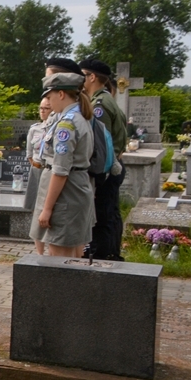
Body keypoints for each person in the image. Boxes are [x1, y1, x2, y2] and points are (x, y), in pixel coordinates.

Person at [29, 72, 95, 257]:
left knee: (59, 259)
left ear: (61, 94)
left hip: (66, 194)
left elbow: (60, 170)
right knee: (73, 257)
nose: (49, 103)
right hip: (74, 188)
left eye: (50, 97)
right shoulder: (77, 117)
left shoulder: (67, 124)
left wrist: (47, 209)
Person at [80, 58, 128, 260]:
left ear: (92, 77)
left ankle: (104, 255)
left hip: (106, 169)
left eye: (82, 75)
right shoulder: (106, 99)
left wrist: (97, 173)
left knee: (103, 215)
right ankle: (111, 252)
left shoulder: (99, 104)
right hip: (112, 165)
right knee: (110, 212)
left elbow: (101, 144)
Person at [27, 96, 53, 255]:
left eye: (46, 108)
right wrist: (35, 165)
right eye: (41, 108)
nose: (42, 111)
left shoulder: (56, 128)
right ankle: (39, 252)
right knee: (36, 210)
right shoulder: (34, 129)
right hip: (37, 171)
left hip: (50, 171)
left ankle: (52, 248)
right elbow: (29, 154)